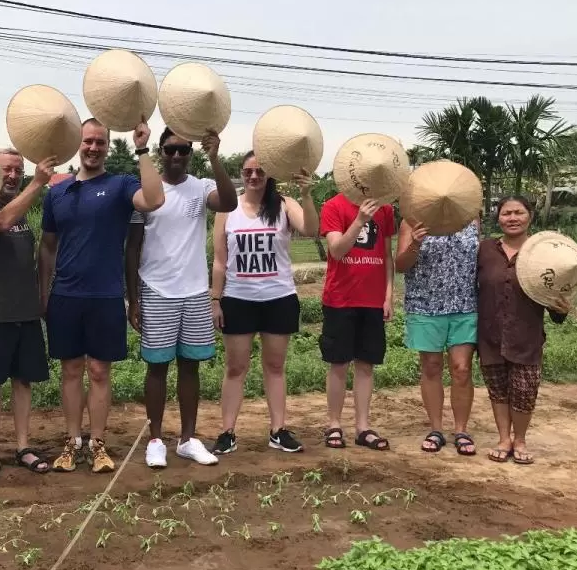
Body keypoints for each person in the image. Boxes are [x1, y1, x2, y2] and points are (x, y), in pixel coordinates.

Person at [38, 118, 163, 473]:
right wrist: (42, 294)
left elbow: (153, 199)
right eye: (88, 141)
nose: (93, 148)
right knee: (72, 370)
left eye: (100, 143)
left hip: (106, 296)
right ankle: (72, 442)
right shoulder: (57, 193)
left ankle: (98, 443)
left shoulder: (122, 184)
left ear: (108, 146)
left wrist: (142, 149)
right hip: (65, 295)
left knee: (99, 371)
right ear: (78, 143)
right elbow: (46, 247)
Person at [126, 128, 237, 468]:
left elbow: (230, 202)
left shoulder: (202, 187)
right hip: (155, 289)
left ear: (191, 153)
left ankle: (188, 439)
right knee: (157, 368)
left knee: (190, 367)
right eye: (171, 149)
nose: (176, 156)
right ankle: (156, 439)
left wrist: (215, 157)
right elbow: (131, 249)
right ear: (159, 151)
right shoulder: (146, 192)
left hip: (193, 291)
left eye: (183, 150)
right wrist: (133, 299)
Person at [210, 151, 319, 455]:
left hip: (278, 298)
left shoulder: (284, 204)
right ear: (241, 175)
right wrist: (216, 300)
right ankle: (227, 432)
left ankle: (278, 430)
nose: (254, 177)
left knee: (275, 366)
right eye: (248, 172)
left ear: (269, 175)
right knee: (235, 367)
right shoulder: (227, 209)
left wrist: (307, 195)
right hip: (238, 299)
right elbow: (220, 261)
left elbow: (312, 230)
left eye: (259, 171)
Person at [0, 148, 53, 482]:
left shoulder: (23, 210)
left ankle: (22, 446)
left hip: (25, 311)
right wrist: (38, 184)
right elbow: (0, 223)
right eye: (6, 170)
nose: (13, 176)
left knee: (23, 381)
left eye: (19, 170)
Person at [477, 196, 569, 465]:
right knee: (498, 389)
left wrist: (560, 309)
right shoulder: (484, 250)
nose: (512, 218)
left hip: (526, 335)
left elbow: (554, 293)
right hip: (490, 333)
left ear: (530, 216)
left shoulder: (543, 254)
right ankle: (504, 439)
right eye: (507, 213)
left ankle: (521, 439)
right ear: (498, 217)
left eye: (519, 213)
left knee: (525, 391)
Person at [395, 217, 479, 455]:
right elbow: (400, 265)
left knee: (462, 368)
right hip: (425, 305)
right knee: (431, 366)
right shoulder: (412, 220)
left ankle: (461, 430)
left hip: (466, 304)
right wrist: (415, 243)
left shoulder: (471, 218)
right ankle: (436, 429)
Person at [319, 193, 395, 451]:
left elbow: (387, 255)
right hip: (340, 298)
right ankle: (334, 424)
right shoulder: (333, 206)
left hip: (372, 300)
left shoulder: (384, 209)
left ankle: (363, 427)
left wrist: (388, 295)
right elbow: (337, 250)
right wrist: (360, 220)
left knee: (366, 364)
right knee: (338, 363)